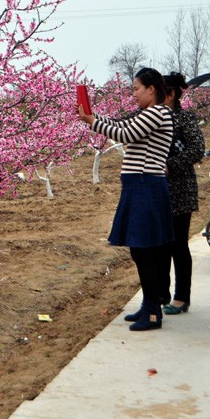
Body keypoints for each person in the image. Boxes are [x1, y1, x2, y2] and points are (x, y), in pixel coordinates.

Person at [78, 67, 174, 331]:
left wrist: (91, 121)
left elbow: (125, 134)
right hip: (139, 187)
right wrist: (94, 116)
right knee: (141, 249)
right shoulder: (150, 113)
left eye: (136, 89)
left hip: (145, 186)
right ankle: (149, 304)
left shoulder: (157, 112)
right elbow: (122, 125)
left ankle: (153, 311)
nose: (134, 94)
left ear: (151, 89)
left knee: (144, 249)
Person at [158, 73, 205, 315]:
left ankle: (181, 296)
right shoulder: (153, 117)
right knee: (160, 244)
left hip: (181, 188)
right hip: (158, 188)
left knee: (178, 244)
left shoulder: (184, 118)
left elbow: (198, 149)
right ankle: (162, 293)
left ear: (172, 93)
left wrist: (171, 164)